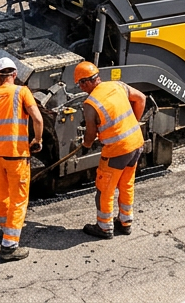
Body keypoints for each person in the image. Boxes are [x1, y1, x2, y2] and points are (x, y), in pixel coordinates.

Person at [74, 61, 146, 239]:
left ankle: (104, 227)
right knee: (126, 184)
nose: (81, 88)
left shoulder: (90, 104)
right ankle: (125, 222)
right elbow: (141, 98)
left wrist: (86, 145)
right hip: (136, 143)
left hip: (117, 150)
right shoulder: (117, 85)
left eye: (80, 84)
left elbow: (91, 133)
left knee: (104, 189)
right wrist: (133, 124)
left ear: (86, 82)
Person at [0, 56, 44, 262]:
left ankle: (5, 229)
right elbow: (37, 119)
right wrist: (37, 140)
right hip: (16, 155)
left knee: (3, 194)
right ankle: (9, 246)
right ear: (15, 74)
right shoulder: (22, 91)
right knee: (19, 199)